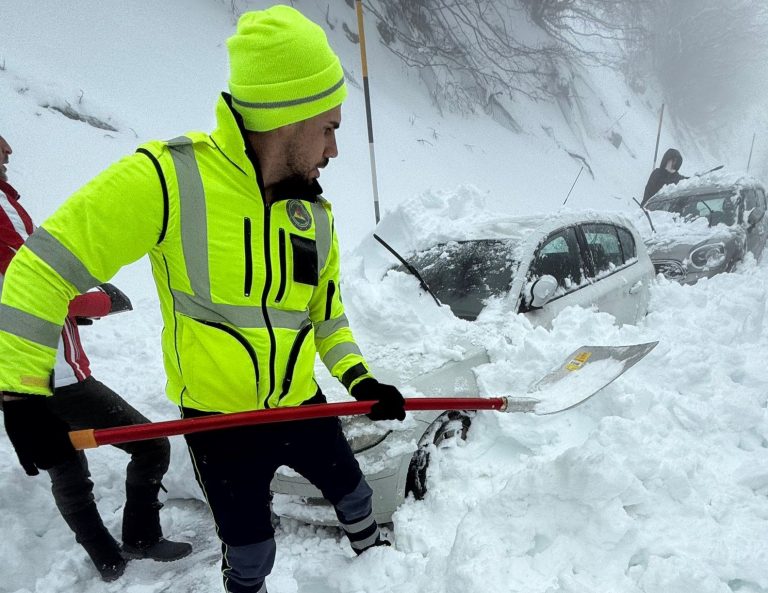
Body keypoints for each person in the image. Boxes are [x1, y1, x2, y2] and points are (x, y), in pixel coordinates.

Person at [0, 6, 406, 593]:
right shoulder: (169, 179)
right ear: (290, 117)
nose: (333, 149)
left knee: (356, 495)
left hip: (300, 407)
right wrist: (22, 394)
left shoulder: (312, 214)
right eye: (329, 127)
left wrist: (361, 380)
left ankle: (377, 561)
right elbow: (38, 270)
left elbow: (325, 316)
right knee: (251, 554)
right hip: (221, 423)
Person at [0, 134, 192, 582]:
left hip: (19, 375)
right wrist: (102, 301)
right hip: (52, 374)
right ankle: (139, 539)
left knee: (66, 467)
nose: (8, 150)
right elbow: (34, 288)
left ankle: (107, 558)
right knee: (150, 444)